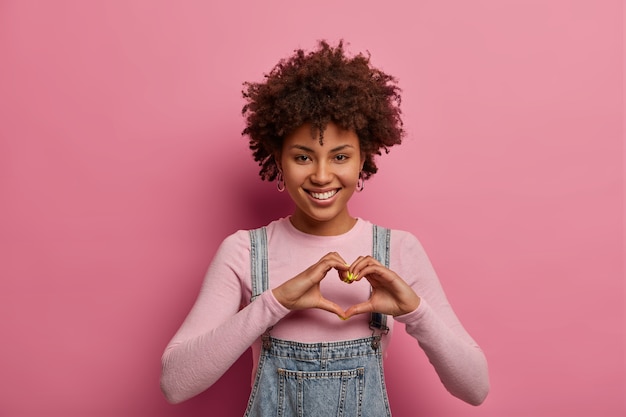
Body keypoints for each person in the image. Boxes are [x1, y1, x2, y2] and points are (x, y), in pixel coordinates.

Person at [160, 40, 489, 416]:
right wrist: (274, 303)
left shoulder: (398, 249)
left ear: (363, 158)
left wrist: (415, 312)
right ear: (278, 159)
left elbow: (475, 388)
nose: (320, 175)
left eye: (340, 157)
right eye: (302, 157)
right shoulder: (245, 252)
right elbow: (174, 384)